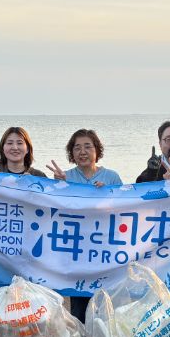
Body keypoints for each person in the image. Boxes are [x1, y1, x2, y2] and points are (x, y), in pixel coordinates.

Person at [46, 129, 122, 322]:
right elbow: (54, 211)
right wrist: (59, 187)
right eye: (77, 148)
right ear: (71, 153)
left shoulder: (111, 177)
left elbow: (124, 209)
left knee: (105, 305)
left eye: (88, 146)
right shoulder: (65, 177)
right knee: (79, 307)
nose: (82, 152)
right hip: (76, 251)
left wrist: (108, 194)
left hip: (104, 249)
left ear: (97, 150)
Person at [136, 118, 170, 182]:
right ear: (160, 144)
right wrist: (151, 174)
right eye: (169, 139)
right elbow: (139, 189)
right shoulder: (154, 167)